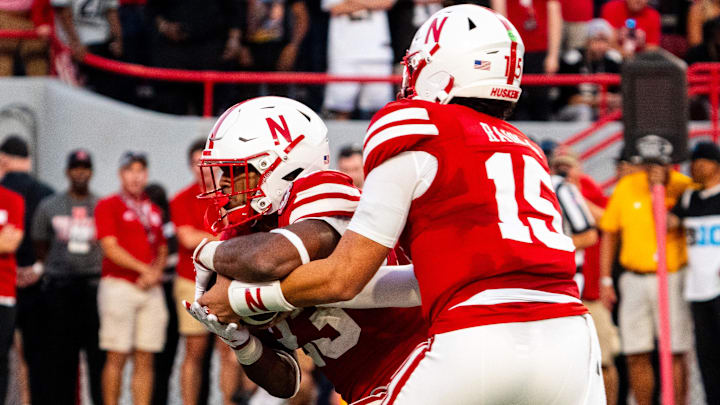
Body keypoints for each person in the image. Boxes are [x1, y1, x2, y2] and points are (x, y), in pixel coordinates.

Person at [196, 6, 605, 404]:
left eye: (239, 173)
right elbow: (416, 283)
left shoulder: (405, 130)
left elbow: (343, 278)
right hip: (570, 333)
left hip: (470, 337)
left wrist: (218, 267)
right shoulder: (526, 147)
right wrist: (242, 335)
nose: (228, 189)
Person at [188, 96, 427, 404]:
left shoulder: (321, 190)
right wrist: (241, 342)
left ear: (278, 167)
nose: (221, 184)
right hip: (366, 392)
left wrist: (206, 254)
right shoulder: (241, 239)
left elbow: (268, 258)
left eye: (231, 171)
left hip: (423, 361)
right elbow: (285, 382)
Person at [598, 135, 692, 405]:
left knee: (675, 351)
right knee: (635, 352)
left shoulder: (682, 186)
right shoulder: (626, 187)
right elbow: (610, 233)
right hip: (634, 277)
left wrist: (663, 187)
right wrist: (606, 279)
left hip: (672, 277)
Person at [169, 139, 244, 405]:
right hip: (191, 281)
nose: (204, 169)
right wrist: (224, 237)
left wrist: (216, 238)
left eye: (208, 164)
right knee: (194, 352)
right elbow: (188, 239)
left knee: (229, 350)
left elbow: (240, 237)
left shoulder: (232, 196)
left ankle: (227, 401)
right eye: (197, 164)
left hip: (226, 281)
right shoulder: (180, 199)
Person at [31, 149, 105, 405]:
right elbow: (40, 242)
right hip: (60, 290)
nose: (80, 173)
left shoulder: (101, 205)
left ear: (92, 172)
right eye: (76, 168)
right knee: (61, 359)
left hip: (94, 288)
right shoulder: (50, 205)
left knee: (98, 358)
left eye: (85, 168)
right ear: (67, 171)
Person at [95, 151, 168, 405]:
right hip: (120, 284)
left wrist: (155, 271)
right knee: (117, 354)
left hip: (150, 287)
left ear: (146, 175)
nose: (136, 177)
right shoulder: (108, 205)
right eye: (130, 171)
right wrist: (143, 269)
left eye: (140, 171)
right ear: (120, 174)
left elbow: (161, 246)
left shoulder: (153, 208)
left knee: (146, 355)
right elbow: (110, 247)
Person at [0, 135, 54, 405]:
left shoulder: (8, 194)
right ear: (29, 160)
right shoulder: (46, 193)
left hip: (7, 280)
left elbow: (12, 240)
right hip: (37, 282)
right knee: (36, 357)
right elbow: (56, 238)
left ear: (3, 160)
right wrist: (37, 267)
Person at [669, 141, 720, 405]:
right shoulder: (689, 197)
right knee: (706, 355)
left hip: (718, 286)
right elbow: (669, 222)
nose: (695, 167)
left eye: (701, 161)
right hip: (697, 287)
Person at [322, 0, 396, 120]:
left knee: (380, 110)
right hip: (344, 53)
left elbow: (387, 3)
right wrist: (371, 4)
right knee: (341, 108)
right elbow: (335, 8)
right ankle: (340, 139)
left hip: (377, 52)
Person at [503, 0, 563, 120]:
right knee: (510, 99)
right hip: (514, 50)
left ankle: (543, 135)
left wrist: (553, 55)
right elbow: (500, 18)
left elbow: (555, 20)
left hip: (540, 50)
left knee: (540, 99)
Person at [51, 0, 123, 97]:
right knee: (73, 93)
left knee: (104, 92)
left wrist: (117, 40)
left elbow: (111, 11)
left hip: (101, 43)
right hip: (72, 47)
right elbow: (63, 13)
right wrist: (75, 44)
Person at [555, 19, 622, 121]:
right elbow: (570, 99)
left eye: (604, 41)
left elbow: (620, 93)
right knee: (584, 111)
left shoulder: (612, 60)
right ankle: (584, 138)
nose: (600, 46)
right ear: (587, 41)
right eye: (596, 40)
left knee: (620, 109)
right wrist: (597, 100)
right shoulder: (573, 59)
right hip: (570, 110)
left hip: (600, 108)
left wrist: (615, 100)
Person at [0, 185, 23, 405]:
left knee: (1, 359)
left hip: (3, 293)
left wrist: (4, 242)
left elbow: (11, 242)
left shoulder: (11, 199)